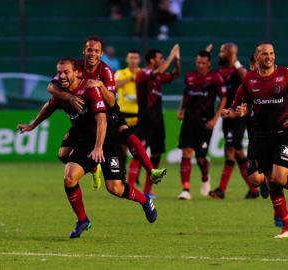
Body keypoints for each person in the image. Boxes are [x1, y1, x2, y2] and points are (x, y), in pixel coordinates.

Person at [18, 59, 159, 238]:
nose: (62, 76)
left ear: (77, 72)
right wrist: (33, 125)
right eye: (59, 72)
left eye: (66, 72)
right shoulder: (62, 94)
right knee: (69, 177)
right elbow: (49, 106)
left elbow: (101, 120)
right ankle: (83, 220)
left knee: (114, 188)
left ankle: (145, 200)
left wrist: (99, 147)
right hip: (85, 140)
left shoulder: (90, 90)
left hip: (106, 138)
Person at [47, 36, 167, 191]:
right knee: (63, 155)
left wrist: (100, 86)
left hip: (107, 113)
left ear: (101, 53)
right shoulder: (74, 66)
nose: (92, 53)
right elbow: (51, 87)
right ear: (84, 51)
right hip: (84, 116)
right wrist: (69, 97)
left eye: (96, 51)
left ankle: (152, 171)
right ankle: (93, 168)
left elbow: (111, 102)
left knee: (125, 132)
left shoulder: (106, 71)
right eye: (89, 50)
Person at [227, 42, 288, 238]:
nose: (269, 57)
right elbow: (238, 106)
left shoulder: (287, 74)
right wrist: (234, 112)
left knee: (279, 178)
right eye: (264, 54)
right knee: (270, 182)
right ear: (257, 58)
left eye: (272, 53)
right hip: (260, 137)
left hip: (283, 133)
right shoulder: (249, 80)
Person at [206, 43, 259, 200]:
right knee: (237, 152)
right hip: (226, 115)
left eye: (223, 51)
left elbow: (247, 79)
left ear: (231, 54)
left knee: (230, 150)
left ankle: (221, 190)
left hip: (237, 116)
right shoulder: (221, 70)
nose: (220, 53)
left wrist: (236, 62)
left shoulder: (238, 70)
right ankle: (254, 189)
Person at [128, 44, 181, 195]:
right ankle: (130, 187)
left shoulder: (158, 78)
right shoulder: (143, 73)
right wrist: (171, 55)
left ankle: (147, 191)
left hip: (158, 120)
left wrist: (177, 60)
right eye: (160, 58)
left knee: (156, 155)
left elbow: (175, 75)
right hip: (145, 120)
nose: (162, 60)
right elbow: (161, 70)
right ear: (152, 60)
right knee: (139, 153)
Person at [177, 50, 227, 200]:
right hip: (188, 121)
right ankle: (185, 189)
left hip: (205, 123)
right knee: (186, 153)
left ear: (209, 64)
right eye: (198, 62)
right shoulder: (189, 76)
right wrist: (181, 109)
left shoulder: (215, 78)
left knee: (200, 158)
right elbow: (186, 94)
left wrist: (215, 119)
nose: (200, 65)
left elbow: (223, 98)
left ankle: (205, 177)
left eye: (204, 63)